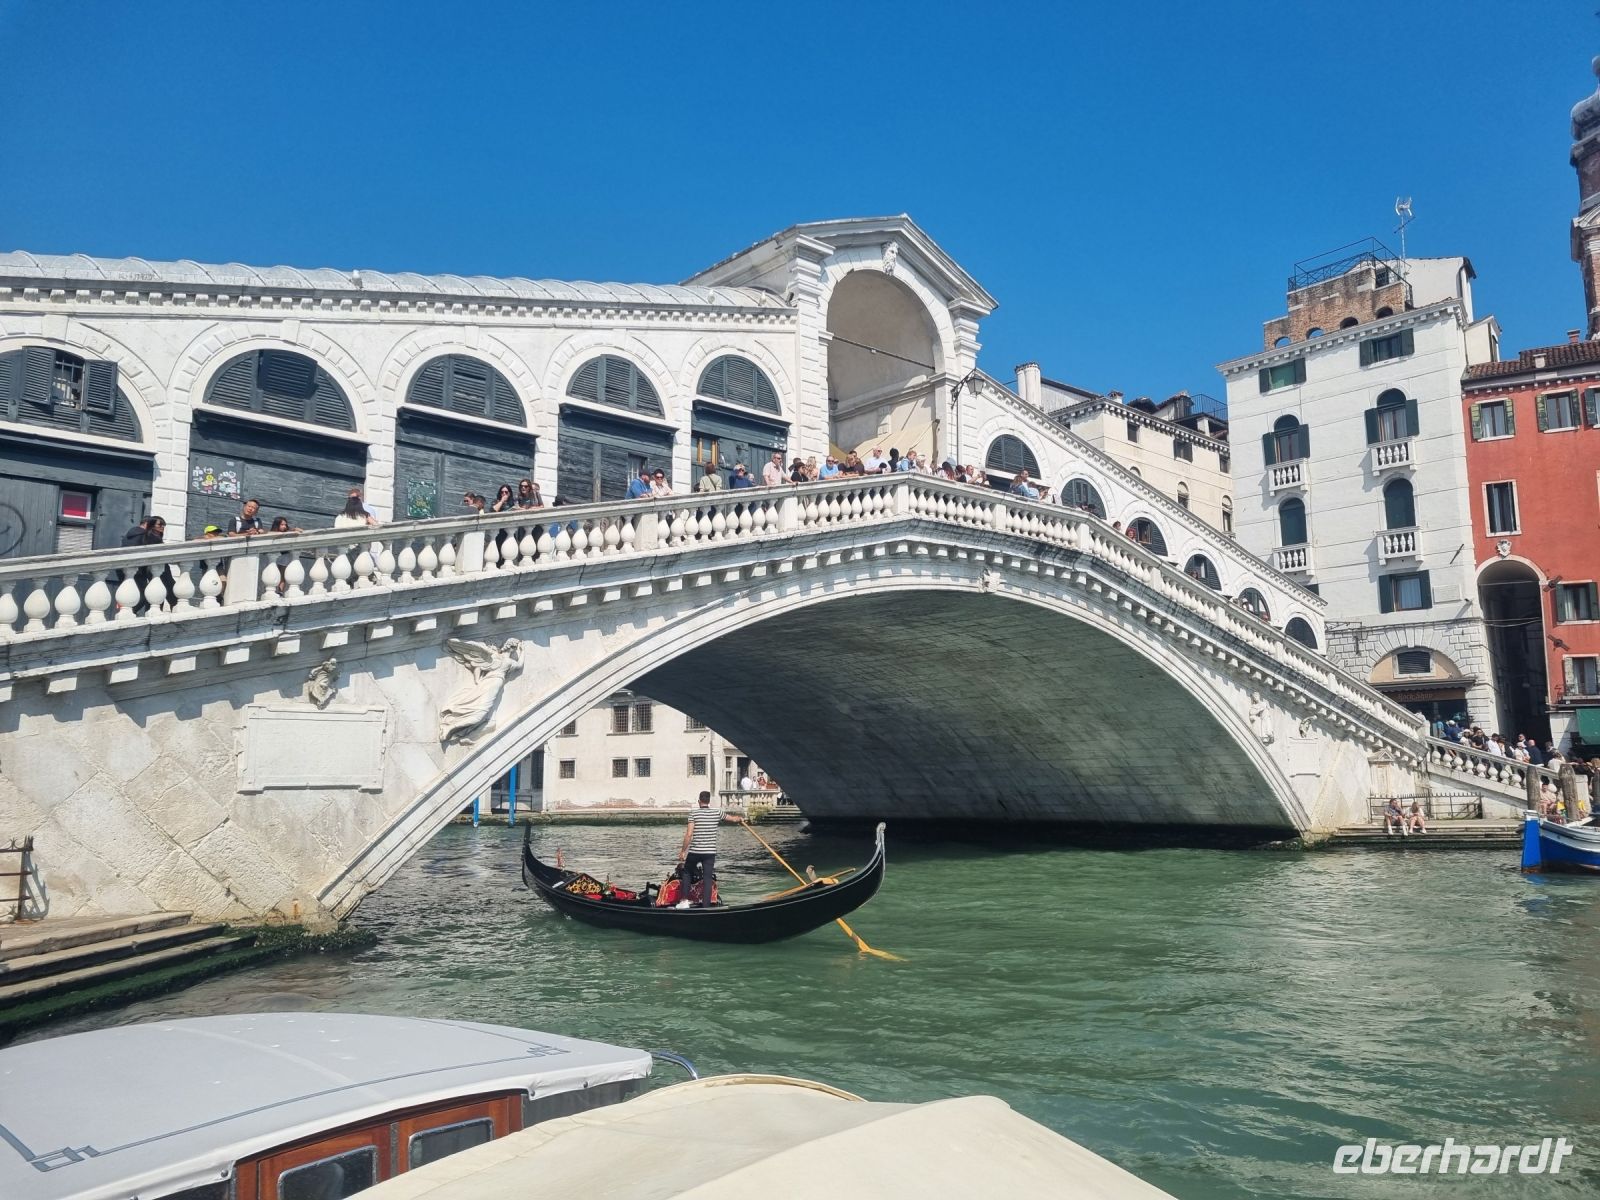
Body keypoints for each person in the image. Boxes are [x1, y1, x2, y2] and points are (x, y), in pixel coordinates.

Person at [677, 790, 742, 908]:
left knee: (687, 872)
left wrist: (683, 851)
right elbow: (732, 819)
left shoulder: (693, 813)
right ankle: (706, 906)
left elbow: (689, 834)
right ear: (709, 801)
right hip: (710, 852)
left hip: (695, 851)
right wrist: (740, 819)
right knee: (707, 878)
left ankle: (684, 901)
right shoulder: (717, 812)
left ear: (699, 801)